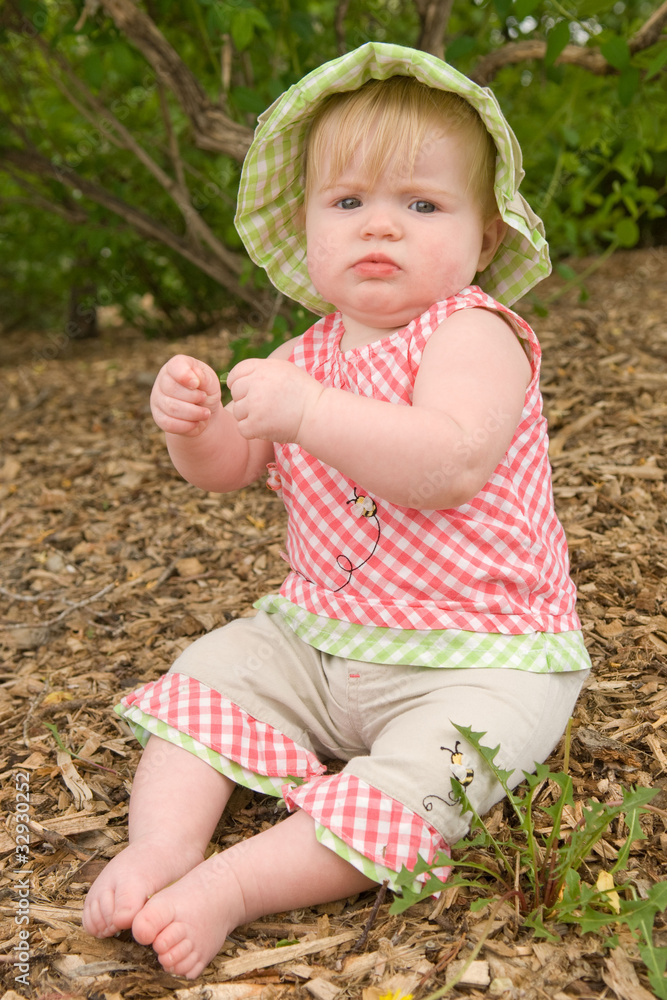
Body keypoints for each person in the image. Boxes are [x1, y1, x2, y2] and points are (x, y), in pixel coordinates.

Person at [82, 42, 591, 979]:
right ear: (306, 226)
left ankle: (232, 886)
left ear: (481, 238)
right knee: (213, 673)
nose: (379, 228)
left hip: (482, 655)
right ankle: (161, 848)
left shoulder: (473, 334)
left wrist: (309, 412)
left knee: (429, 778)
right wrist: (192, 427)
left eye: (421, 205)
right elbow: (232, 468)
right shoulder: (301, 356)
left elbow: (450, 462)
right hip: (323, 638)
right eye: (348, 203)